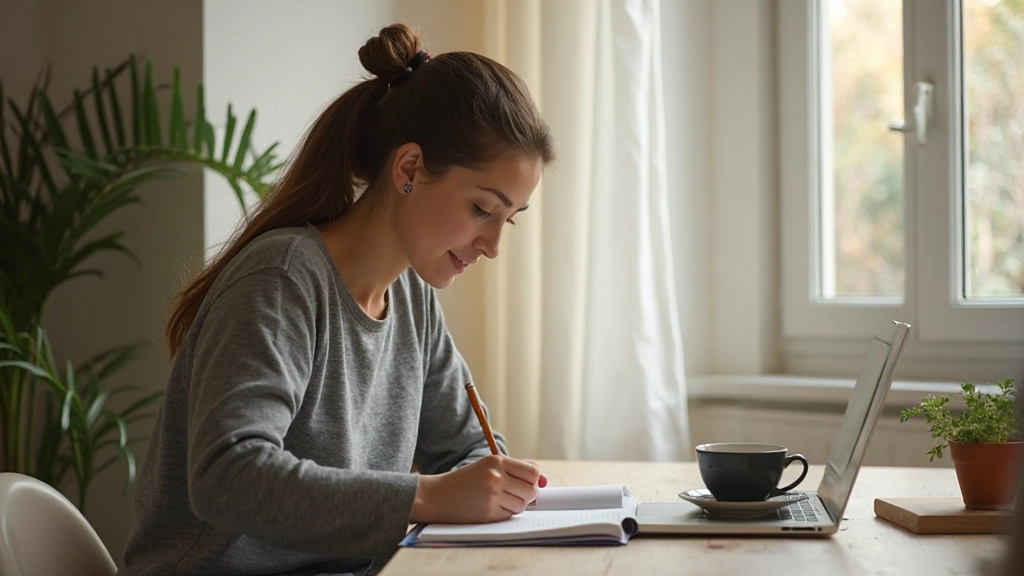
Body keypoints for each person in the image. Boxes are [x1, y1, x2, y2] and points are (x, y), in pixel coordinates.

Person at [119, 23, 555, 576]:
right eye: (481, 210)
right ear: (410, 169)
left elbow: (469, 451)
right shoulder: (283, 279)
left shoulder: (413, 298)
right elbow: (227, 476)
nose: (493, 246)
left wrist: (487, 486)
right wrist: (429, 496)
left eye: (508, 220)